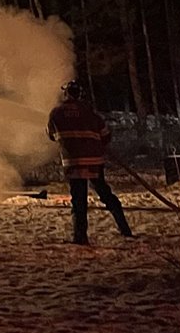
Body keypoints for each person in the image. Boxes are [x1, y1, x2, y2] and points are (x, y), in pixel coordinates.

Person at [47, 80, 134, 245]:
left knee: (78, 200)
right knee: (106, 194)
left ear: (66, 94)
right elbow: (106, 135)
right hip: (94, 161)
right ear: (80, 94)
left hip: (73, 163)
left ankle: (80, 237)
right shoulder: (90, 113)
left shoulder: (56, 113)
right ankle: (125, 229)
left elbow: (51, 135)